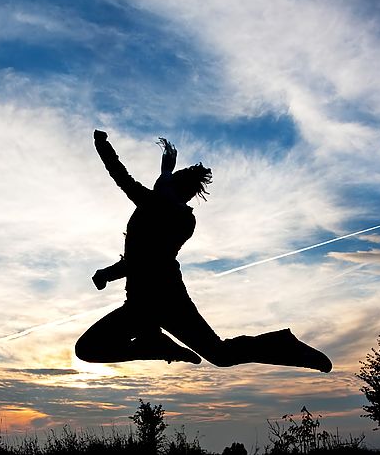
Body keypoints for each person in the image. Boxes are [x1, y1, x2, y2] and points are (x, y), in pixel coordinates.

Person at [75, 129, 332, 372]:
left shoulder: (180, 219)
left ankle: (281, 344)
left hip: (169, 302)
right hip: (140, 306)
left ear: (175, 190)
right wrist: (103, 146)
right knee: (87, 349)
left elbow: (146, 256)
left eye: (169, 182)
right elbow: (121, 180)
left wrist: (105, 147)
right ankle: (152, 344)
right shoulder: (153, 204)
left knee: (221, 355)